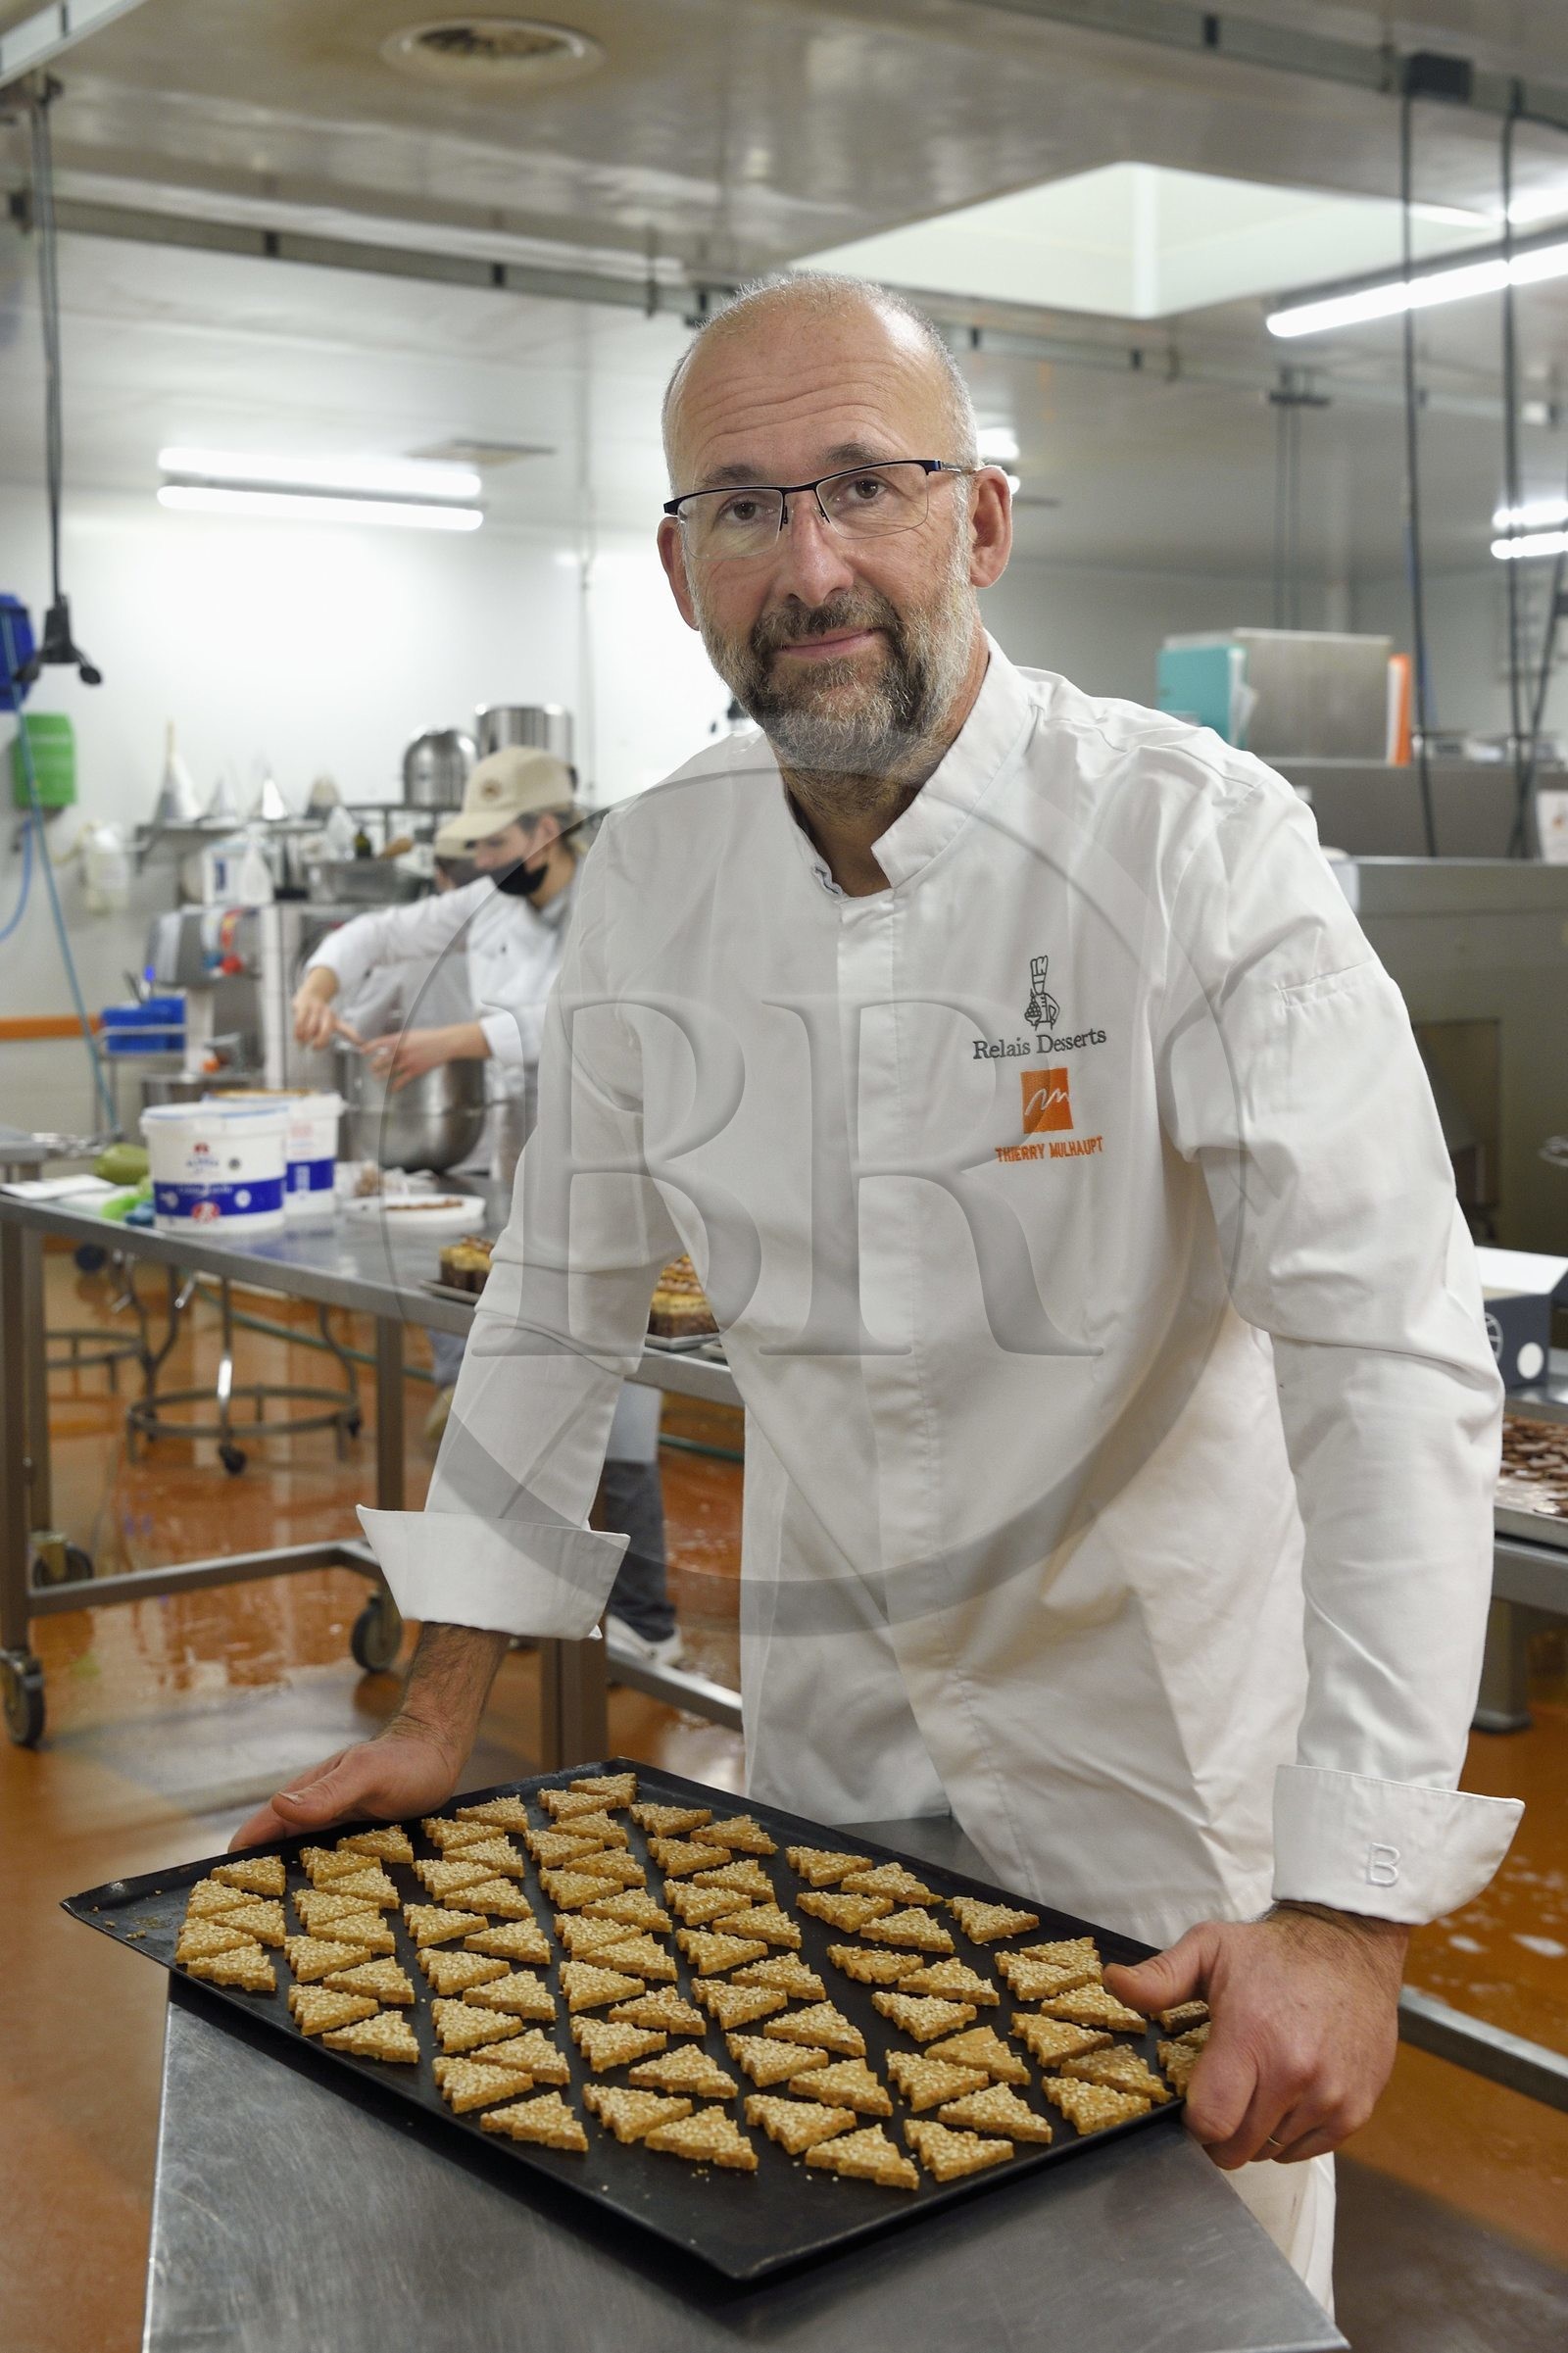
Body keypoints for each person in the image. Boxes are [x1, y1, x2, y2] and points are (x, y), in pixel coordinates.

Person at [240, 275, 1521, 2302]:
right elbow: (558, 1306)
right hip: (828, 1764)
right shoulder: (657, 879)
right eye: (744, 508)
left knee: (1158, 2315)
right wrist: (437, 1709)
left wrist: (1345, 1911)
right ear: (682, 569)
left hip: (1157, 1796)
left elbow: (1386, 1365)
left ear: (978, 521)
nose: (810, 563)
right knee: (846, 2292)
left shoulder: (1188, 847)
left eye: (863, 485)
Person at [291, 747, 684, 1668]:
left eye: (496, 842)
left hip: (616, 1185)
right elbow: (380, 934)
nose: (481, 861)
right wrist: (319, 982)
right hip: (514, 1179)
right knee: (510, 1394)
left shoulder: (621, 894)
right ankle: (520, 1597)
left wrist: (455, 1039)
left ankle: (647, 1620)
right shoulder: (489, 903)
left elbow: (589, 1015)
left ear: (547, 830)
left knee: (619, 1411)